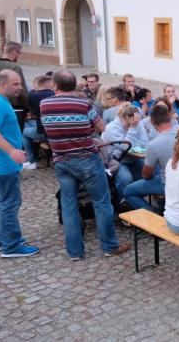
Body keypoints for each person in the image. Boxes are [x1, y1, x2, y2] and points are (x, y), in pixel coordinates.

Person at [40, 70, 129, 260]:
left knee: (69, 204)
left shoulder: (44, 104)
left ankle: (75, 252)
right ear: (75, 85)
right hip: (87, 159)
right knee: (101, 201)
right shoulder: (84, 104)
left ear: (54, 85)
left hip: (61, 160)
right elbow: (101, 128)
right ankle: (109, 246)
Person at [0, 70, 40, 258]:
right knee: (10, 203)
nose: (20, 87)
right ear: (3, 83)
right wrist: (11, 151)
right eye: (16, 84)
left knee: (1, 201)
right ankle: (10, 246)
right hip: (2, 164)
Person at [123, 105, 179, 212]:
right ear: (170, 117)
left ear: (152, 122)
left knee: (128, 191)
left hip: (168, 183)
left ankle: (154, 216)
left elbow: (146, 174)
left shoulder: (154, 145)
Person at [100, 105, 149, 200]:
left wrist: (132, 134)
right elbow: (125, 147)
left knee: (148, 172)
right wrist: (133, 129)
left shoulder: (136, 123)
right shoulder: (111, 128)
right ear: (122, 118)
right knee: (126, 179)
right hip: (115, 160)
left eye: (133, 123)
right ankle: (122, 202)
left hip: (133, 158)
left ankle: (137, 199)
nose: (129, 127)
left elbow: (144, 143)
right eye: (127, 124)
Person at [0, 41, 30, 132]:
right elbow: (21, 91)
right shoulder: (15, 67)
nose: (20, 56)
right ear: (14, 52)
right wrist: (27, 108)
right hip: (14, 109)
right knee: (14, 137)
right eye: (20, 53)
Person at [22, 75, 55, 169]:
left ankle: (31, 160)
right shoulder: (55, 93)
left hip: (44, 132)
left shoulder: (31, 95)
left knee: (23, 131)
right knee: (29, 125)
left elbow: (30, 113)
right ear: (48, 83)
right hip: (56, 129)